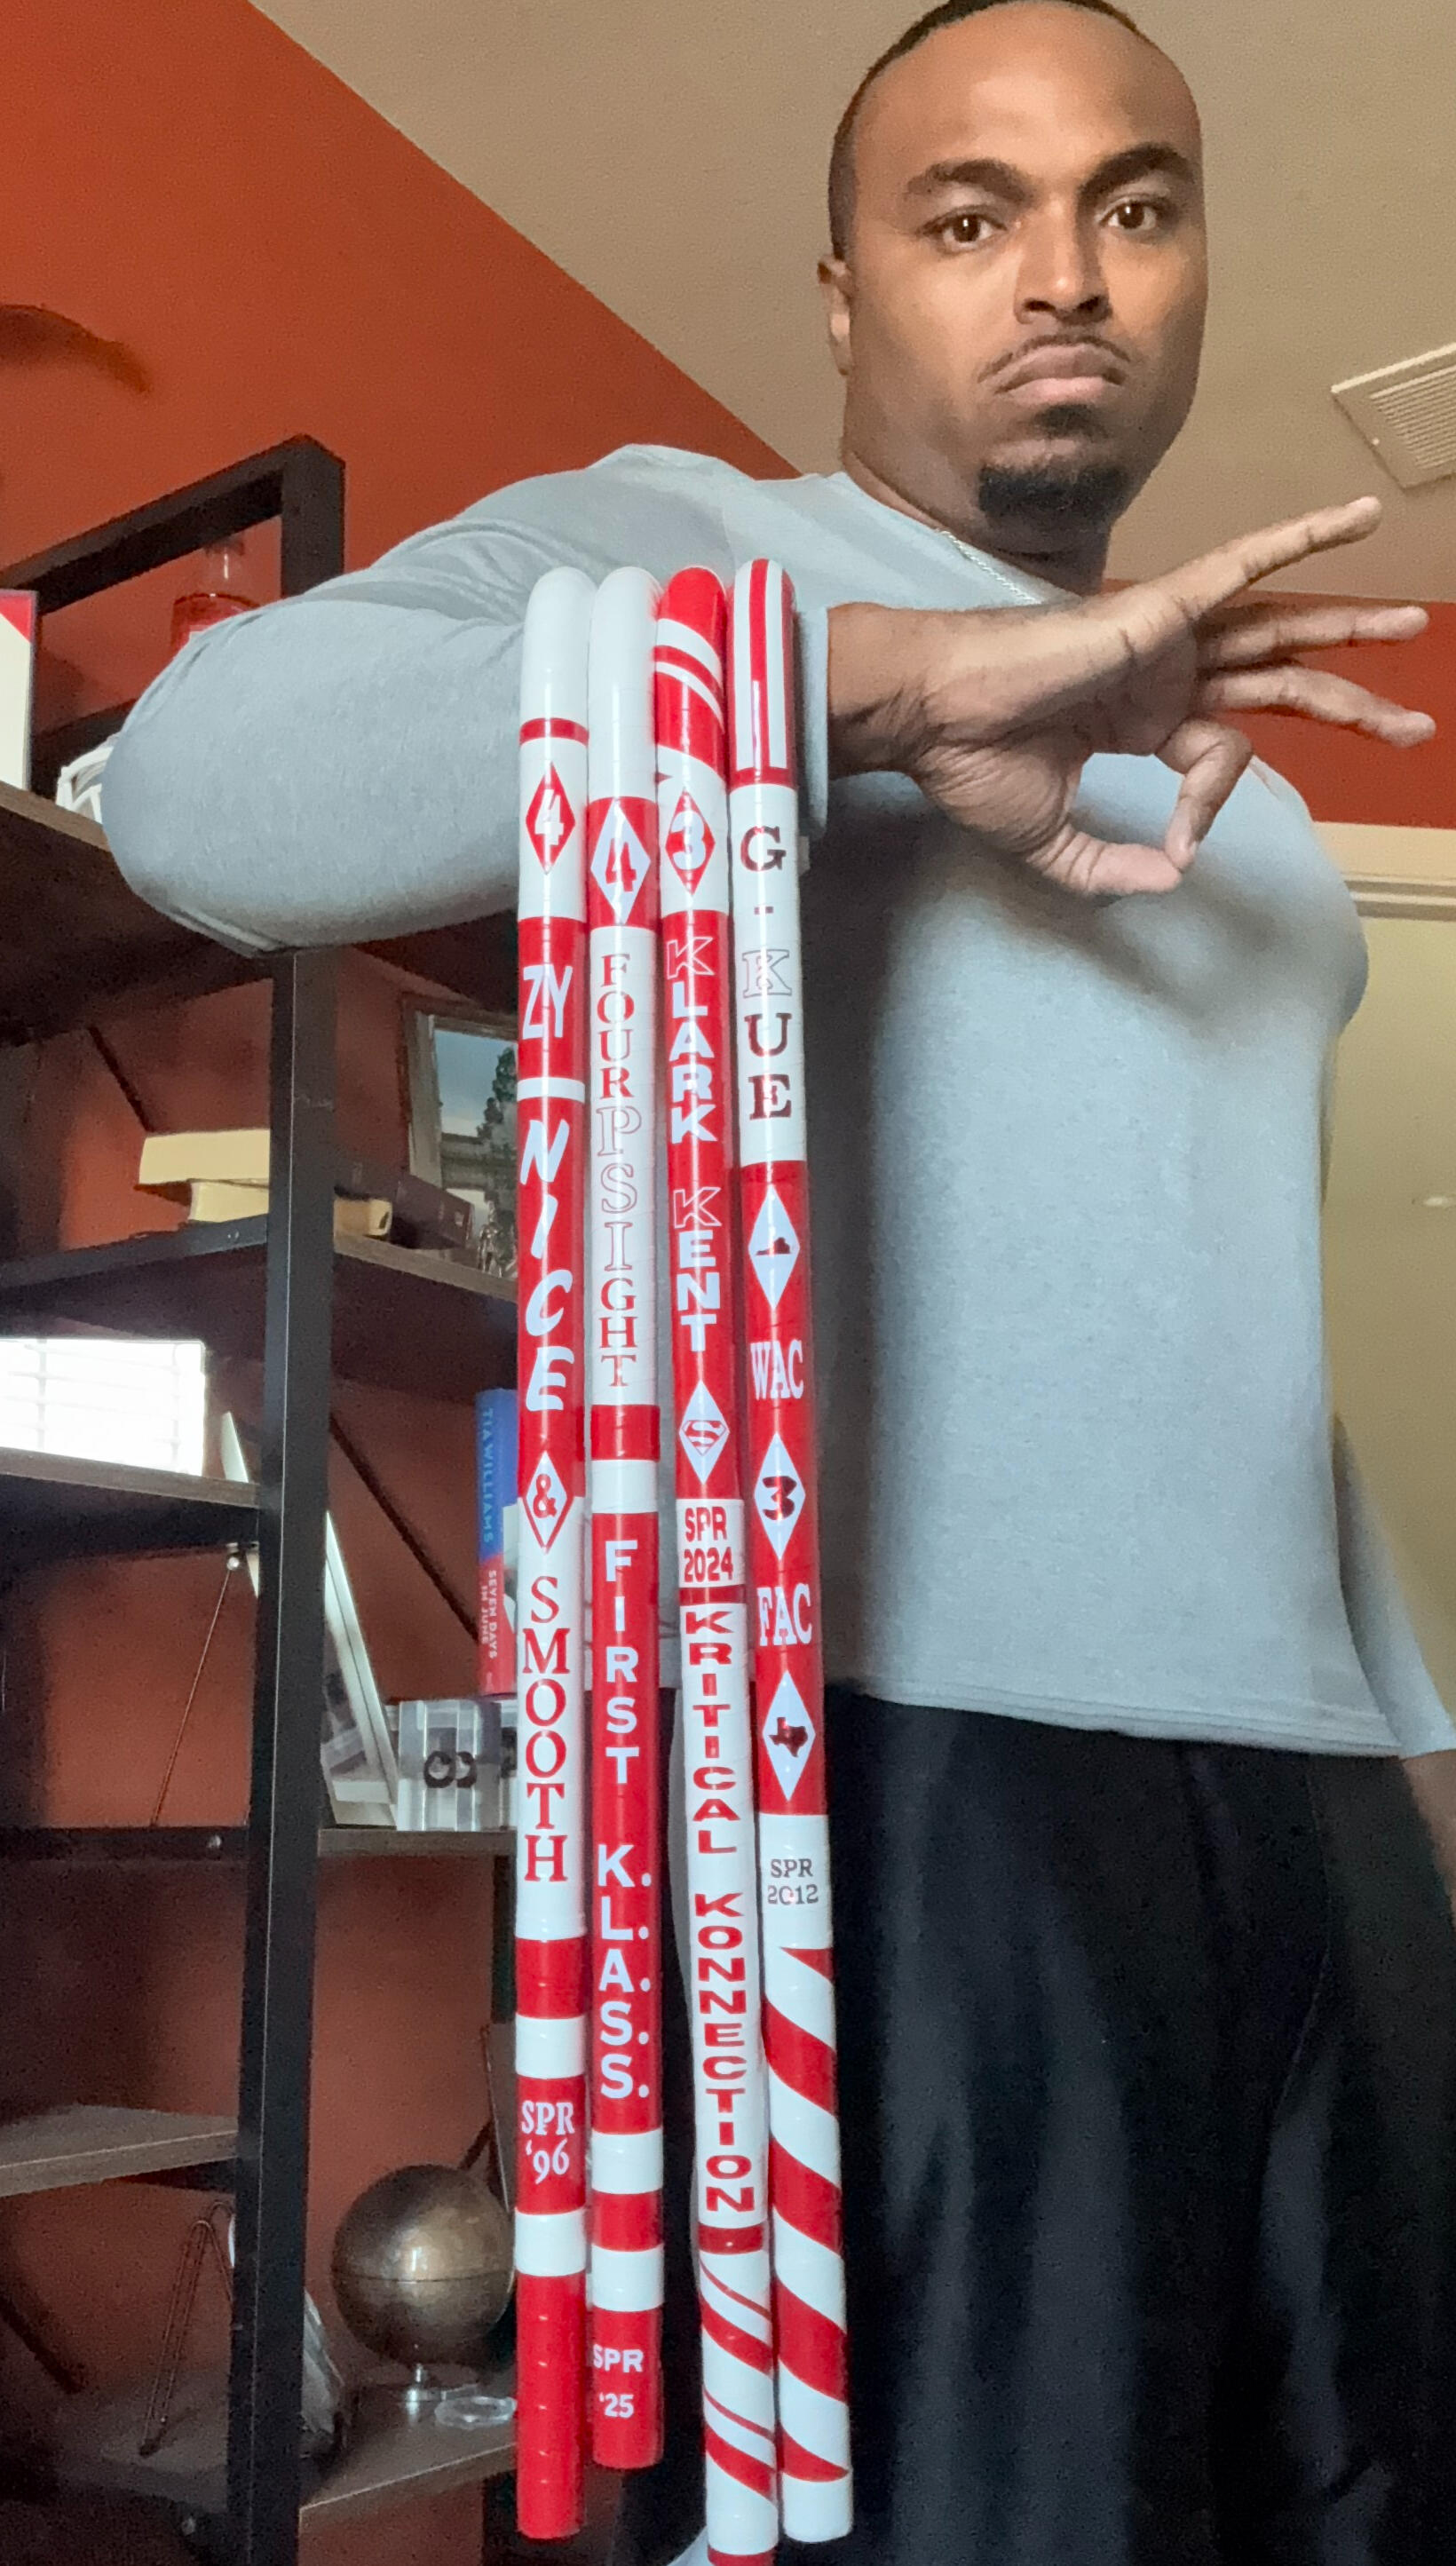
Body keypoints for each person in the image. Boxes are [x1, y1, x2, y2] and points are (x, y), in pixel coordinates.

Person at [104, 4, 1456, 2558]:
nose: (1064, 275)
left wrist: (1411, 1765)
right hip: (908, 1797)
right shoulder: (686, 552)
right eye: (970, 213)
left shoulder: (1247, 793)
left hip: (1317, 1822)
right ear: (844, 293)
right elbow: (194, 789)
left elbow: (1234, 1331)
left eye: (1134, 205)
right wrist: (892, 690)